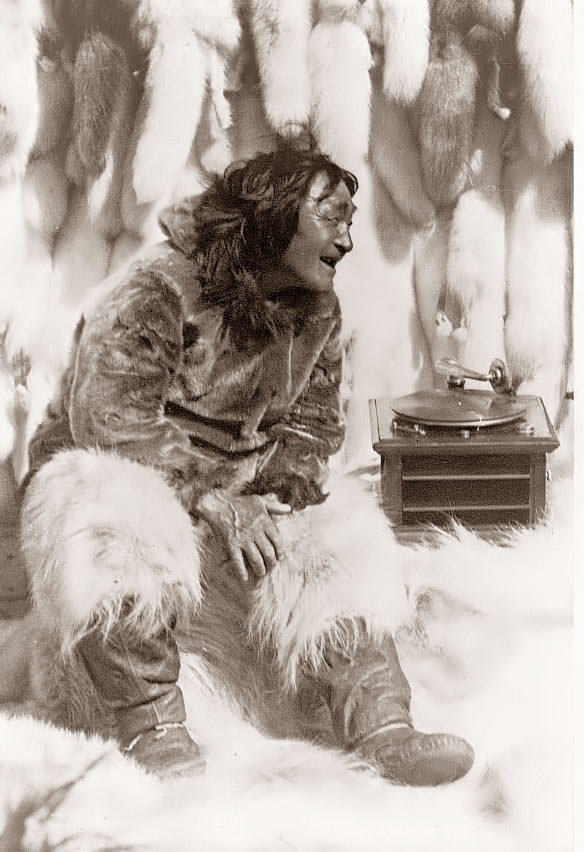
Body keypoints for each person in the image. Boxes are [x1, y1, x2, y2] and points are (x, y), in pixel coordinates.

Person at [21, 143, 474, 785]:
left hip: (240, 490)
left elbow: (314, 425)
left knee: (335, 524)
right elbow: (109, 416)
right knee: (100, 508)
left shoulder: (317, 308)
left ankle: (383, 726)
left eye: (350, 219)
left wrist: (279, 492)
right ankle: (155, 728)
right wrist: (212, 499)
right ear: (271, 220)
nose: (347, 239)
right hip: (128, 468)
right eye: (332, 217)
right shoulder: (155, 288)